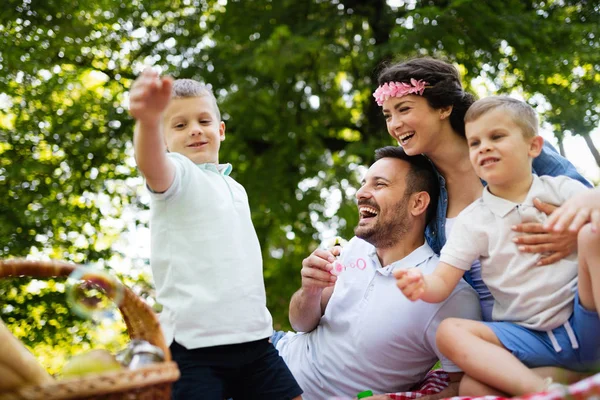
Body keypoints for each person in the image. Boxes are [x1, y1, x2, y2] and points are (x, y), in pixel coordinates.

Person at [395, 96, 600, 397]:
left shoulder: (561, 189)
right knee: (461, 357)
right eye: (474, 142)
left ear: (533, 147)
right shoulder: (472, 221)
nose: (484, 147)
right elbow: (441, 282)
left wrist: (591, 199)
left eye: (497, 137)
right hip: (531, 339)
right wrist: (422, 284)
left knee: (592, 235)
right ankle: (548, 390)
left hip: (584, 318)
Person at [374, 57, 593, 323]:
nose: (394, 124)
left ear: (443, 107)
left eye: (404, 109)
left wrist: (576, 237)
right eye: (388, 115)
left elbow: (589, 201)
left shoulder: (508, 147)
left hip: (578, 302)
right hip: (502, 327)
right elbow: (391, 238)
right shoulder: (421, 188)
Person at [128, 69, 302, 400]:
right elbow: (151, 164)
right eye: (179, 125)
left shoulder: (234, 188)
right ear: (165, 141)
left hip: (254, 343)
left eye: (203, 121)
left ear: (220, 130)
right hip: (195, 349)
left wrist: (258, 326)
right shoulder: (178, 177)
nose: (194, 130)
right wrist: (148, 122)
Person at [274, 146, 481, 399]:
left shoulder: (451, 295)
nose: (361, 193)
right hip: (274, 354)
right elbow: (301, 324)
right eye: (363, 184)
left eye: (379, 184)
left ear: (417, 203)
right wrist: (310, 290)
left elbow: (464, 387)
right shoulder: (353, 248)